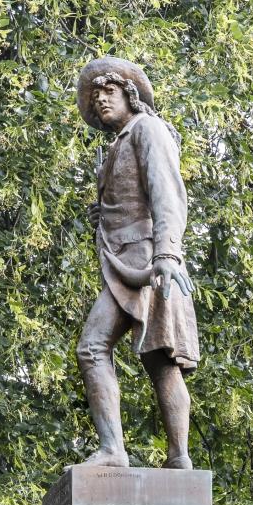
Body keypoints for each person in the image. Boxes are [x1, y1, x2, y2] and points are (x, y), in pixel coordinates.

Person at [74, 57, 199, 469]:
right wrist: (103, 215)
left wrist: (167, 253)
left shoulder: (148, 129)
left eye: (108, 92)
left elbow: (167, 194)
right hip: (123, 258)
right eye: (96, 96)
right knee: (155, 357)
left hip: (146, 260)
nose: (101, 101)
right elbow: (130, 201)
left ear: (129, 95)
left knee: (102, 349)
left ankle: (120, 451)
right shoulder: (118, 143)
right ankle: (174, 458)